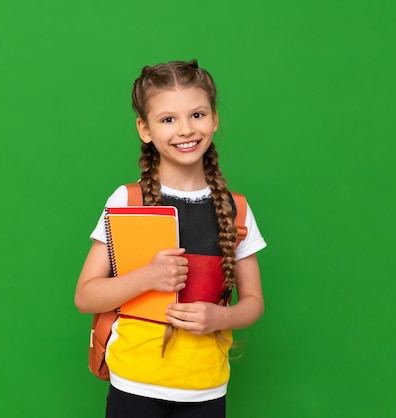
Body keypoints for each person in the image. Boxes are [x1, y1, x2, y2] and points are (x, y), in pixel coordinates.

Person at [75, 59, 267, 418]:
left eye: (197, 115)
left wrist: (219, 318)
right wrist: (147, 277)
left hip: (206, 386)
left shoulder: (235, 208)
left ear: (214, 119)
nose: (185, 129)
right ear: (144, 129)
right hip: (134, 384)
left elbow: (253, 302)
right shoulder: (128, 201)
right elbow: (86, 296)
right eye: (168, 119)